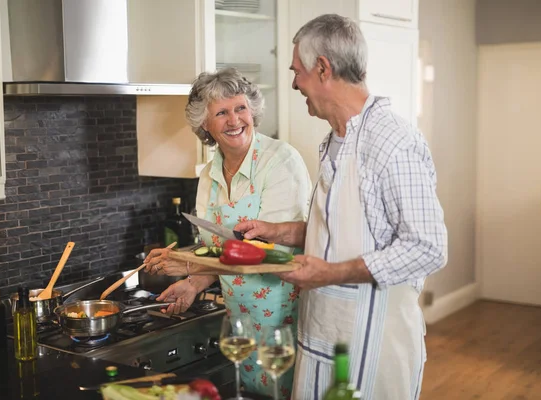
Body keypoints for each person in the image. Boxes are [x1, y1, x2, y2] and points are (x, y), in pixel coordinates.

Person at [235, 14, 448, 400]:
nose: (295, 83)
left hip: (375, 345)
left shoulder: (393, 141)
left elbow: (428, 248)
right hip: (323, 335)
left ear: (323, 68)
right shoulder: (335, 139)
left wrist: (330, 272)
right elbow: (347, 229)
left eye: (297, 71)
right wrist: (278, 232)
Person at [143, 67, 312, 399]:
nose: (235, 120)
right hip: (239, 319)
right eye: (221, 112)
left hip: (284, 317)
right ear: (205, 124)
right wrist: (194, 283)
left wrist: (186, 264)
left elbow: (270, 253)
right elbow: (219, 249)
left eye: (240, 108)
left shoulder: (280, 162)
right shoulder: (208, 175)